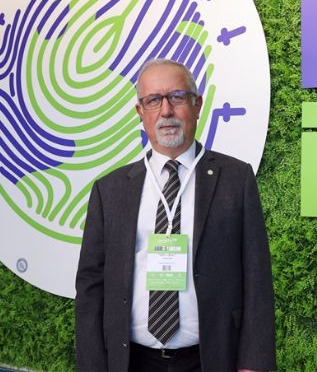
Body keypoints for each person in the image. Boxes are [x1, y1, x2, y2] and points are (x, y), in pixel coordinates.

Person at [75, 59, 276, 372]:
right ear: (141, 112)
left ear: (197, 105)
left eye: (177, 97)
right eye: (153, 100)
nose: (166, 111)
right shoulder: (110, 190)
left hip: (210, 360)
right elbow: (91, 286)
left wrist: (254, 363)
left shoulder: (236, 180)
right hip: (131, 362)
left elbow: (257, 277)